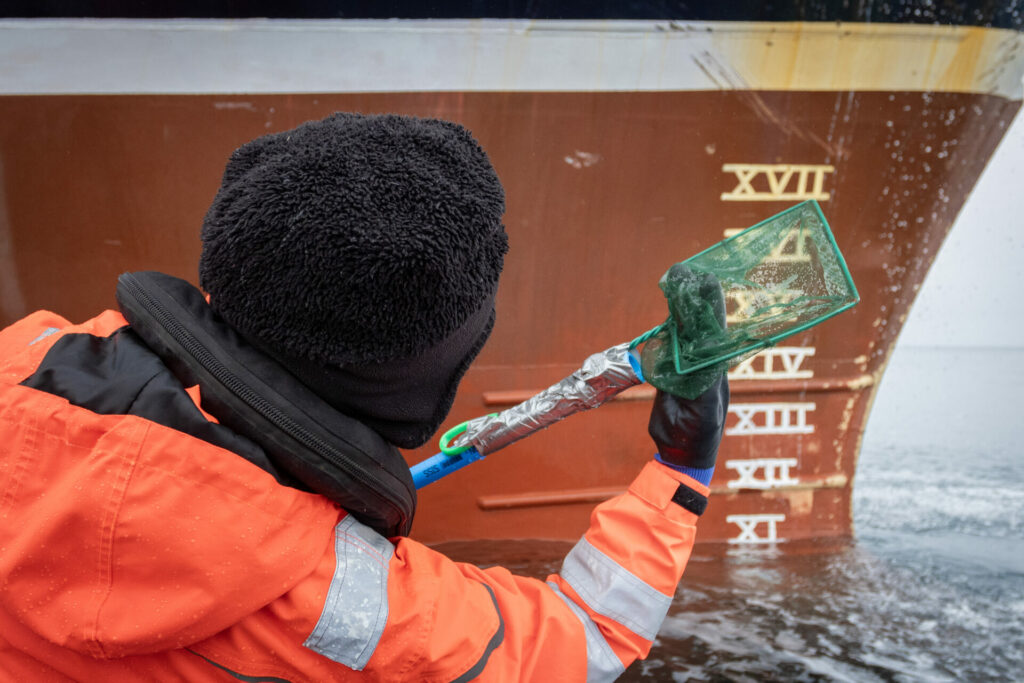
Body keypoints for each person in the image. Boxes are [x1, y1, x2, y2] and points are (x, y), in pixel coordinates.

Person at [0, 112, 728, 681]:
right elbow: (586, 639)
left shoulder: (21, 355)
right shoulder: (365, 614)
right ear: (417, 381)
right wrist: (681, 472)